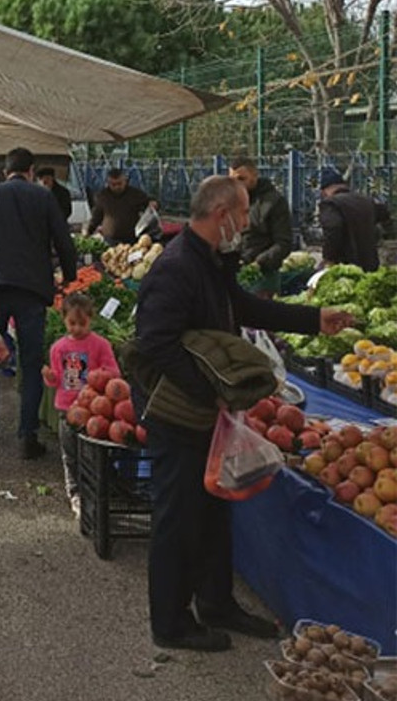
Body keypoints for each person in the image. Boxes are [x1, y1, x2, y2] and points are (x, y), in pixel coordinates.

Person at [133, 175, 353, 652]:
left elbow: (243, 306)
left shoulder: (210, 261)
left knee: (214, 509)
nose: (249, 221)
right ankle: (169, 622)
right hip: (180, 414)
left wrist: (314, 319)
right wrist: (205, 392)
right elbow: (154, 341)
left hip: (210, 414)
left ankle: (216, 602)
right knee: (178, 517)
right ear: (222, 214)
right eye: (244, 212)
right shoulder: (176, 267)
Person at [0, 147, 78, 459]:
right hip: (32, 291)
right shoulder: (43, 197)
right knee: (30, 364)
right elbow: (64, 241)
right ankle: (26, 437)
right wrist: (69, 279)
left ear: (6, 172)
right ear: (31, 171)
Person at [43, 293, 119, 517]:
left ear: (91, 320)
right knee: (69, 453)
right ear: (65, 320)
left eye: (82, 323)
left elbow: (114, 372)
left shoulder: (100, 345)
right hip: (66, 408)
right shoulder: (58, 348)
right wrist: (49, 377)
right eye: (72, 323)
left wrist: (98, 376)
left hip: (92, 409)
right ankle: (74, 492)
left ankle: (92, 490)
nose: (77, 328)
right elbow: (57, 378)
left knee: (91, 453)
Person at [228, 158, 292, 295]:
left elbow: (284, 243)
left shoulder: (274, 202)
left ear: (254, 176)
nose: (236, 184)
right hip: (236, 270)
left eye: (241, 179)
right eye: (232, 179)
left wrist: (259, 262)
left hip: (264, 276)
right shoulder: (233, 201)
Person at [318, 169, 383, 272]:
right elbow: (385, 220)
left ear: (325, 190)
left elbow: (333, 228)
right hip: (370, 263)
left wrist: (328, 258)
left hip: (344, 265)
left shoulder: (330, 203)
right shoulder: (367, 200)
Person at [85, 169, 153, 244]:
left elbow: (150, 202)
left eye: (120, 184)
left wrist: (154, 203)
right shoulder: (103, 196)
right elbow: (96, 217)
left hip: (130, 240)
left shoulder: (135, 194)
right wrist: (88, 230)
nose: (117, 187)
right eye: (113, 185)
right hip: (109, 240)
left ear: (125, 181)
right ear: (108, 183)